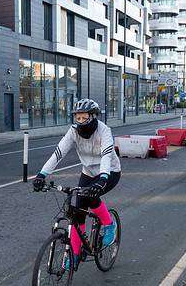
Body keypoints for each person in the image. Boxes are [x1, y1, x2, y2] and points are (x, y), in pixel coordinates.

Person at [32, 98, 121, 269]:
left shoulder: (104, 131)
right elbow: (58, 153)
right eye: (77, 118)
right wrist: (42, 175)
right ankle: (74, 252)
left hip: (109, 172)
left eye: (84, 118)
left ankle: (109, 224)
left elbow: (106, 156)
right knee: (78, 211)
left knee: (91, 197)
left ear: (93, 117)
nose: (80, 121)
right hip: (88, 172)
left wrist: (102, 179)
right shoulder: (73, 131)